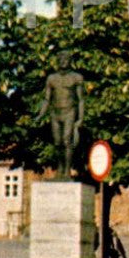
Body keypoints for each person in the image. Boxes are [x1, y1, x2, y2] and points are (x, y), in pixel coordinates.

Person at [36, 50, 85, 178]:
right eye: (61, 59)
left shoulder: (76, 77)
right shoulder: (51, 78)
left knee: (67, 141)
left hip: (69, 111)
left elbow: (80, 100)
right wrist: (41, 114)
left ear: (70, 61)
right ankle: (60, 168)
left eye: (66, 59)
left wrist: (80, 118)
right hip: (55, 113)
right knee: (57, 142)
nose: (63, 62)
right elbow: (47, 99)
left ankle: (67, 171)